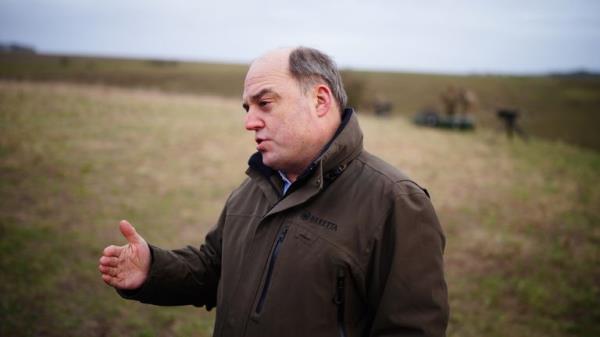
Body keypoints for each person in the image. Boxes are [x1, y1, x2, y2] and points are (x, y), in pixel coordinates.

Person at [99, 47, 449, 337]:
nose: (249, 121)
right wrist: (153, 269)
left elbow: (411, 330)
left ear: (320, 100)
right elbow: (214, 271)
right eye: (247, 108)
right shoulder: (254, 188)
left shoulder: (396, 202)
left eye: (264, 103)